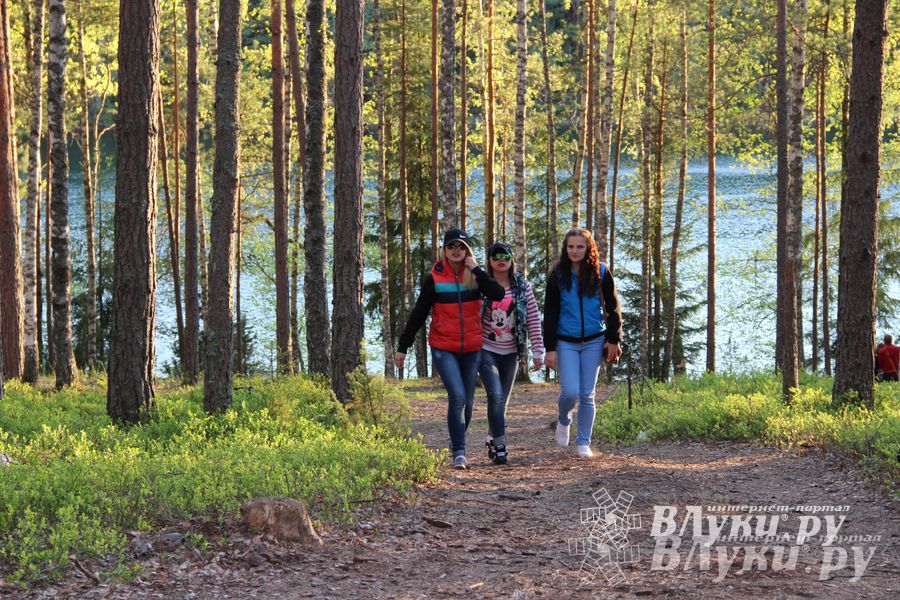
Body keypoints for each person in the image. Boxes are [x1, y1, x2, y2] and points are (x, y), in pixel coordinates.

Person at [395, 228, 505, 469]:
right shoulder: (435, 278)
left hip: (472, 348)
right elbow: (419, 314)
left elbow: (497, 293)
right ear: (444, 250)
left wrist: (476, 268)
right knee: (458, 398)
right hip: (444, 347)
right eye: (451, 246)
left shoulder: (475, 276)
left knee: (468, 403)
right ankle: (459, 453)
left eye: (461, 247)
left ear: (467, 251)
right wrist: (403, 346)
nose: (456, 250)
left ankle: (458, 442)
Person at [543, 228, 623, 458]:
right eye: (571, 246)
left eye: (580, 246)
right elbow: (550, 313)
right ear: (565, 249)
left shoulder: (600, 272)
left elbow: (613, 307)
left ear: (588, 248)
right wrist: (550, 348)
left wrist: (613, 339)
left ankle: (583, 443)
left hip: (594, 341)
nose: (575, 251)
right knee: (570, 392)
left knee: (587, 394)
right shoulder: (557, 275)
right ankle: (563, 418)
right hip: (565, 341)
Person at [478, 241, 545, 465]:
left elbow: (534, 318)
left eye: (505, 256)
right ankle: (500, 445)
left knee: (502, 401)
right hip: (486, 349)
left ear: (510, 260)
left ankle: (490, 437)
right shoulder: (481, 285)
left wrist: (538, 351)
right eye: (496, 256)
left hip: (511, 352)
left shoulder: (522, 286)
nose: (501, 259)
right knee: (495, 396)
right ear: (489, 261)